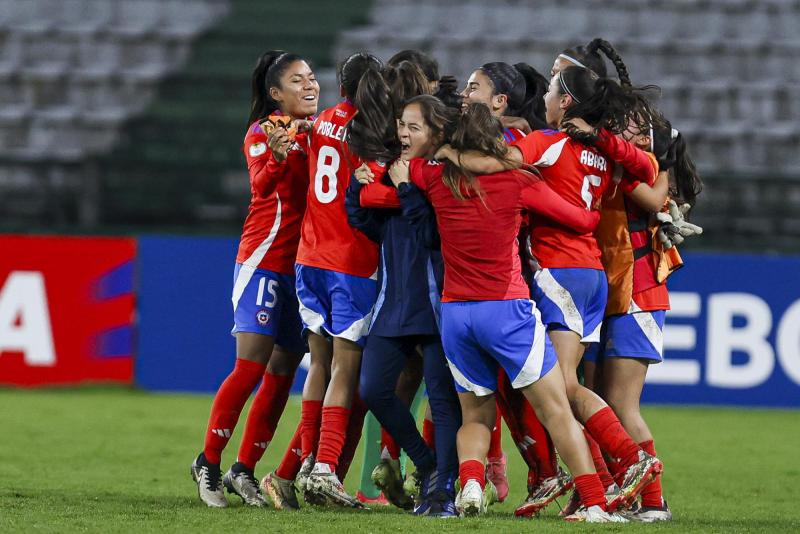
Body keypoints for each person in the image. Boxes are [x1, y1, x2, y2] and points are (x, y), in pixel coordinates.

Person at [388, 100, 633, 522]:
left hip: (455, 315)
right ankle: (593, 502)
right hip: (506, 310)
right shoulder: (519, 180)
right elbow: (580, 219)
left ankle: (468, 485)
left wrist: (429, 159)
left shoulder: (431, 176)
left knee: (476, 413)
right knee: (555, 408)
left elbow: (399, 174)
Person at [436, 66, 665, 512]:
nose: (544, 99)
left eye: (552, 93)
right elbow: (647, 167)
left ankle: (629, 463)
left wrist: (451, 152)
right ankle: (597, 486)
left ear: (565, 104)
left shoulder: (548, 143)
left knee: (560, 389)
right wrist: (605, 140)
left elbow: (499, 162)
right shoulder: (597, 151)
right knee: (563, 387)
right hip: (592, 273)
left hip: (558, 270)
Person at [190, 51, 318, 508]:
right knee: (250, 365)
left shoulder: (318, 133)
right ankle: (207, 462)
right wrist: (279, 158)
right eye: (297, 79)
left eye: (312, 77)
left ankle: (242, 470)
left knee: (284, 373)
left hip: (301, 269)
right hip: (262, 261)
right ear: (275, 93)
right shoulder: (263, 131)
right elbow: (261, 186)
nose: (310, 85)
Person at [346, 71, 464, 515]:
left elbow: (434, 235)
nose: (404, 134)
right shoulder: (398, 173)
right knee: (373, 390)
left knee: (442, 400)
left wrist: (402, 189)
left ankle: (442, 490)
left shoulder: (444, 176)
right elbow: (369, 227)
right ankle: (429, 463)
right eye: (402, 127)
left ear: (436, 133)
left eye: (414, 127)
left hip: (437, 303)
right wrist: (358, 194)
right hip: (394, 300)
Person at [292, 52, 386, 509]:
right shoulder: (372, 134)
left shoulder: (324, 120)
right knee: (347, 369)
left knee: (319, 366)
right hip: (352, 262)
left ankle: (309, 461)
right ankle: (327, 467)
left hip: (310, 256)